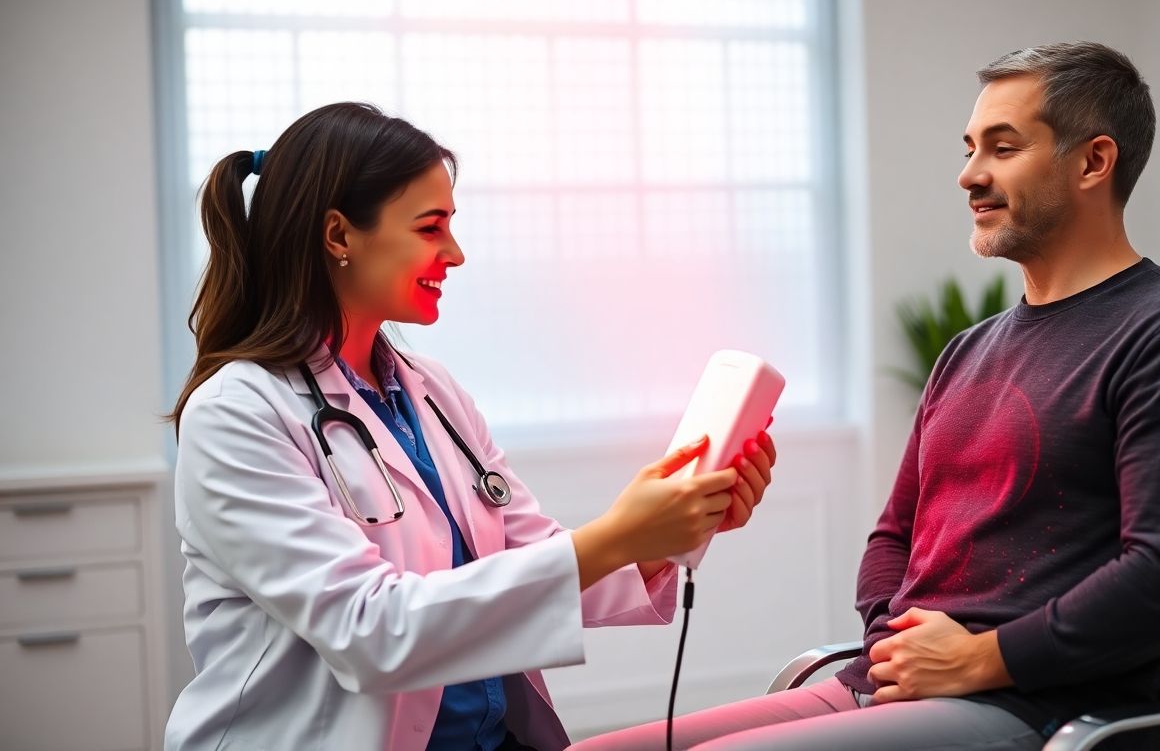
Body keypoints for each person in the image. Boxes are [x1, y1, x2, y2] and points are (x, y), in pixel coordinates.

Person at [573, 41, 1160, 751]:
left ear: (1094, 161)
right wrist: (896, 648)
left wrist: (977, 659)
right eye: (970, 148)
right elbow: (893, 540)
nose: (971, 175)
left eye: (1003, 148)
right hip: (897, 686)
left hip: (1044, 709)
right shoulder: (967, 351)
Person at [163, 102, 777, 751]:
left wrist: (661, 532)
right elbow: (372, 629)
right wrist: (616, 533)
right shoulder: (236, 414)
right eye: (431, 229)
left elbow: (525, 557)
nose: (454, 254)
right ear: (339, 236)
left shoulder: (433, 392)